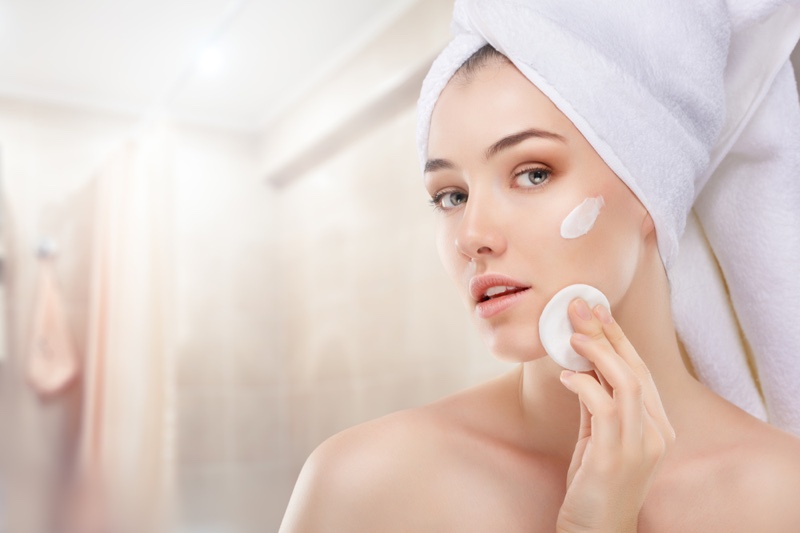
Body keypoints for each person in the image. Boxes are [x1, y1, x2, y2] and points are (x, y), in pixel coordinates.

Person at [281, 2, 800, 531]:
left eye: (532, 174)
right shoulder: (365, 486)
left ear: (651, 190)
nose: (472, 236)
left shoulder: (783, 497)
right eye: (451, 195)